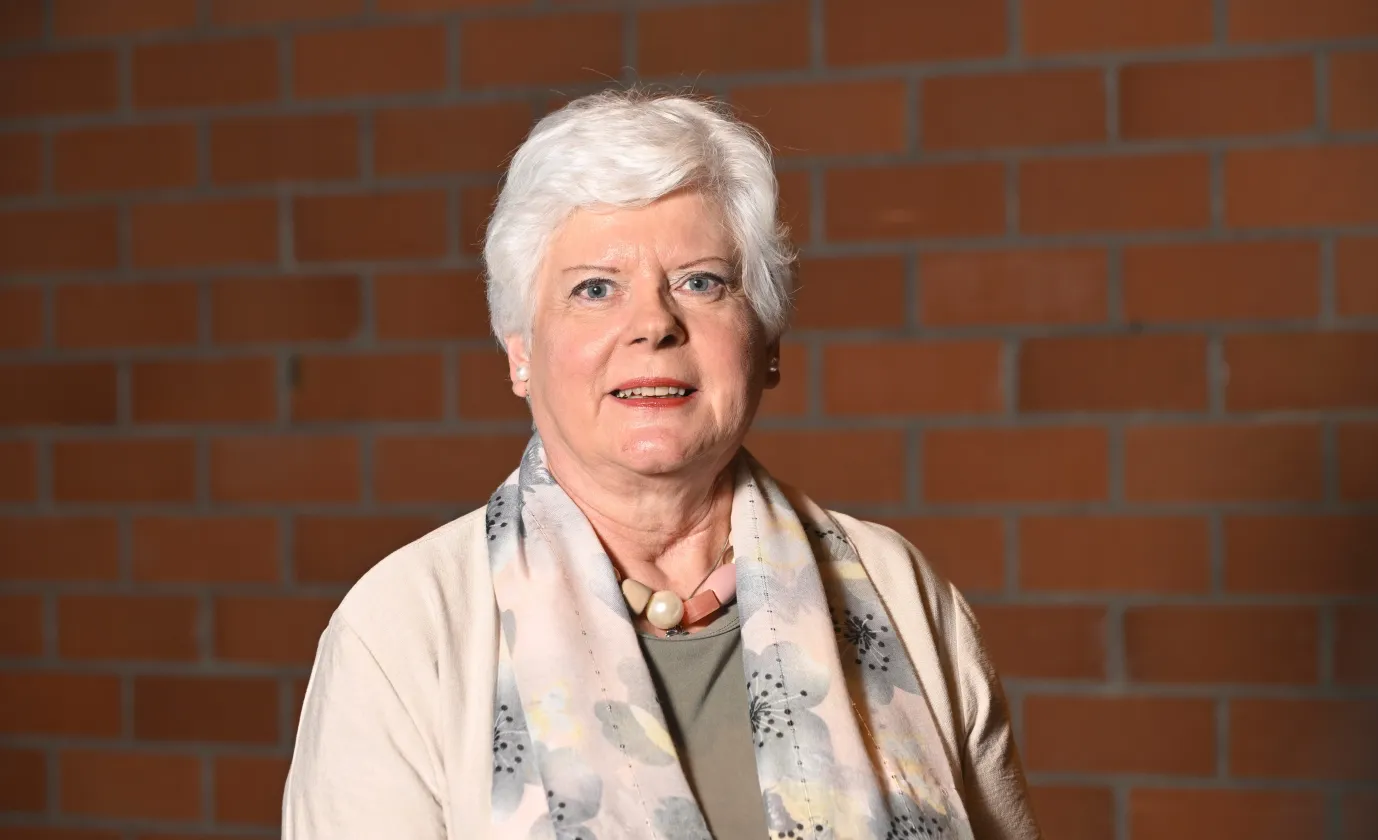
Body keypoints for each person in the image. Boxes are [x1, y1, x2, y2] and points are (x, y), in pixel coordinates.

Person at [283, 89, 1041, 840]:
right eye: (595, 289)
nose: (652, 323)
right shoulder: (406, 629)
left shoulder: (900, 593)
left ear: (766, 343)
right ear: (521, 351)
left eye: (700, 281)